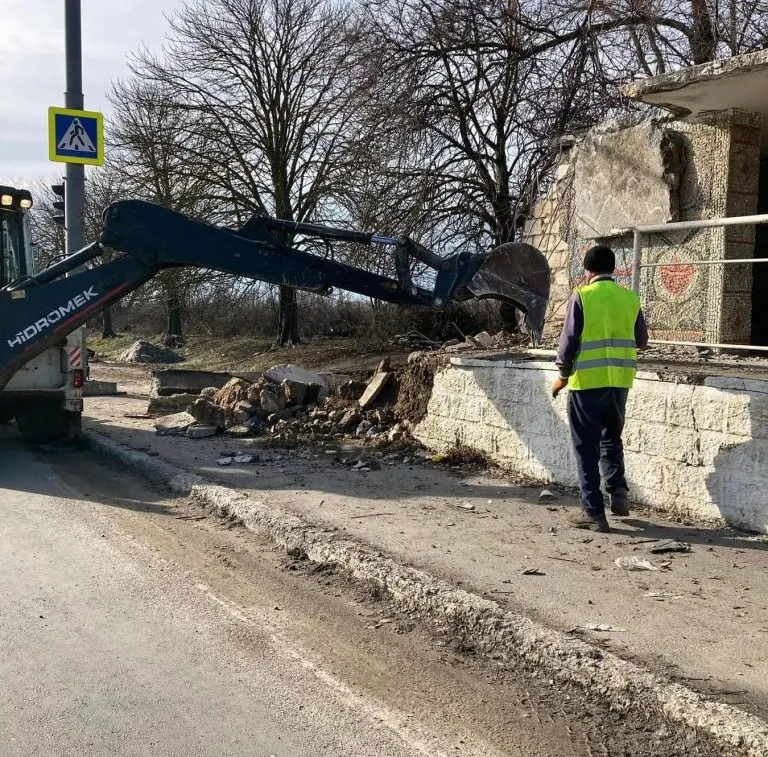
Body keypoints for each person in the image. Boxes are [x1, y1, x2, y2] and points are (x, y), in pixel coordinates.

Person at [551, 245, 648, 533]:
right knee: (611, 438)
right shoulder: (630, 298)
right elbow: (641, 340)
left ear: (587, 270)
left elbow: (567, 343)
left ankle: (593, 511)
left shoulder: (582, 296)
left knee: (585, 447)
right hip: (619, 382)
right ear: (615, 270)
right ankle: (618, 494)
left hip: (587, 384)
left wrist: (563, 374)